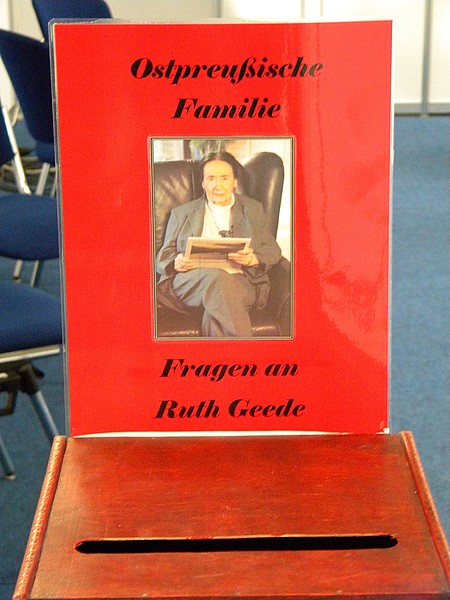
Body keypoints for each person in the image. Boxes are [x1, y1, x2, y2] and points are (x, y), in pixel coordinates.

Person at [156, 151, 282, 337]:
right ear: (203, 183)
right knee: (220, 281)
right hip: (192, 281)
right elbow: (163, 256)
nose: (218, 186)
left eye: (224, 178)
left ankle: (223, 355)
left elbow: (273, 250)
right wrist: (176, 261)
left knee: (219, 304)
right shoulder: (182, 213)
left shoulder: (253, 209)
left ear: (234, 181)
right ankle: (247, 353)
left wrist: (253, 259)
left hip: (241, 280)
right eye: (211, 179)